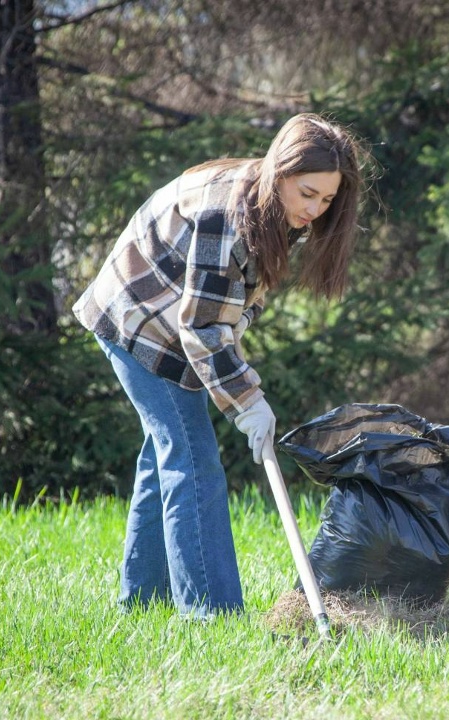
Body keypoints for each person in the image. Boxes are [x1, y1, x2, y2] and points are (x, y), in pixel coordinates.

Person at [73, 113, 370, 619]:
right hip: (137, 321)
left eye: (327, 200)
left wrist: (238, 344)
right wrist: (248, 402)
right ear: (281, 171)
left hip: (176, 322)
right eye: (308, 193)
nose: (316, 210)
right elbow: (202, 329)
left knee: (165, 456)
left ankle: (140, 604)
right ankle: (212, 616)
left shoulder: (279, 209)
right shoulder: (227, 217)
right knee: (192, 460)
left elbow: (237, 300)